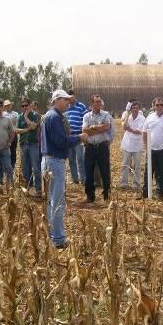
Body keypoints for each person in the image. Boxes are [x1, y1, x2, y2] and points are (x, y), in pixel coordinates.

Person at [41, 90, 88, 248]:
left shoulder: (50, 116)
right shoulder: (55, 118)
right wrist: (79, 138)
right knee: (58, 201)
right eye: (65, 100)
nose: (68, 102)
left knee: (50, 201)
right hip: (55, 161)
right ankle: (59, 239)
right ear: (56, 100)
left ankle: (51, 234)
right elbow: (61, 141)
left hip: (47, 160)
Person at [142, 97, 163, 200]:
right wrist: (146, 146)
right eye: (157, 105)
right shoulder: (150, 117)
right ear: (153, 106)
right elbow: (144, 132)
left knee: (161, 172)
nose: (160, 107)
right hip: (151, 149)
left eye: (161, 105)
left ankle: (160, 193)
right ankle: (145, 193)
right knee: (148, 172)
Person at [82, 94, 112, 202]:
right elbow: (85, 130)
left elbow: (107, 127)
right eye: (96, 102)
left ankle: (107, 196)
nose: (99, 103)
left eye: (100, 101)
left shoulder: (106, 114)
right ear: (91, 104)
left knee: (105, 172)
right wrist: (99, 128)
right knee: (89, 172)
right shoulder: (86, 116)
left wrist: (93, 127)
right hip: (90, 147)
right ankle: (90, 196)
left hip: (102, 147)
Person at [16, 98, 42, 196]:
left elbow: (34, 126)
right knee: (25, 168)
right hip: (23, 144)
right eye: (22, 106)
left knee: (35, 167)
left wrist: (26, 117)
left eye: (26, 105)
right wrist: (27, 130)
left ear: (30, 105)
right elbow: (17, 130)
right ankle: (28, 188)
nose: (24, 107)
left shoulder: (35, 115)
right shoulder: (19, 117)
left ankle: (38, 189)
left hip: (33, 144)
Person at [120, 101, 145, 190]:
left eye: (136, 108)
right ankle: (124, 183)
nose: (135, 109)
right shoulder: (128, 116)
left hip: (137, 146)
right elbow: (123, 127)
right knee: (125, 164)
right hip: (127, 144)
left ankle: (136, 184)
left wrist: (129, 129)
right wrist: (127, 115)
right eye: (133, 108)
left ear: (139, 109)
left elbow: (140, 131)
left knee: (137, 166)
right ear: (131, 109)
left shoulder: (142, 118)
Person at [64, 90, 87, 184]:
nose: (70, 98)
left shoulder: (81, 106)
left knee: (80, 158)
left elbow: (85, 120)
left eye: (71, 96)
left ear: (74, 96)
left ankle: (84, 179)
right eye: (68, 97)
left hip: (79, 135)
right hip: (69, 137)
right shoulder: (66, 107)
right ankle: (75, 179)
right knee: (71, 159)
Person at [3, 100, 20, 168]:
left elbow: (16, 123)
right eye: (6, 106)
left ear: (11, 106)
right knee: (6, 150)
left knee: (13, 150)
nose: (7, 107)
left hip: (14, 134)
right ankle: (6, 164)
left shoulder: (15, 114)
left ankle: (12, 165)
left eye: (8, 105)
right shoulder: (3, 114)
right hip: (5, 135)